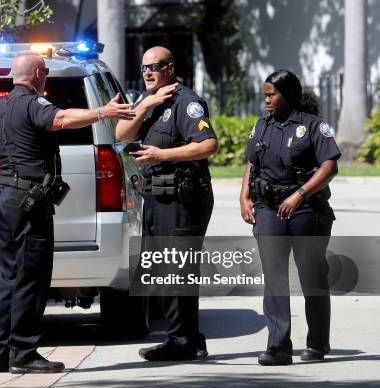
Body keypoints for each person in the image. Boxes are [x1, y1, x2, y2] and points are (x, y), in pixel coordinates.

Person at [0, 51, 135, 374]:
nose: (45, 78)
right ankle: (23, 352)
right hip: (29, 203)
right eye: (44, 72)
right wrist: (103, 112)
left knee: (8, 276)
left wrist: (6, 173)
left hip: (7, 199)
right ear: (35, 74)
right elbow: (60, 120)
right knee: (31, 277)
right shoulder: (34, 104)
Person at [116, 46, 218, 361]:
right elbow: (121, 132)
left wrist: (163, 155)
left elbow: (208, 144)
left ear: (169, 67)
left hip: (182, 198)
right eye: (144, 66)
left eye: (155, 66)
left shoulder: (186, 103)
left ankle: (182, 342)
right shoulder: (147, 102)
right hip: (157, 198)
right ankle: (188, 338)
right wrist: (146, 105)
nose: (148, 72)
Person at [240, 70, 340, 366]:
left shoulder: (313, 127)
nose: (267, 100)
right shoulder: (262, 126)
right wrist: (244, 196)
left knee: (311, 277)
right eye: (266, 95)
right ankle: (278, 346)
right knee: (274, 277)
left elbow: (330, 166)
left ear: (288, 95)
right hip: (269, 209)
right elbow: (251, 162)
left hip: (306, 210)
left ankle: (317, 343)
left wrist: (300, 195)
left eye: (271, 94)